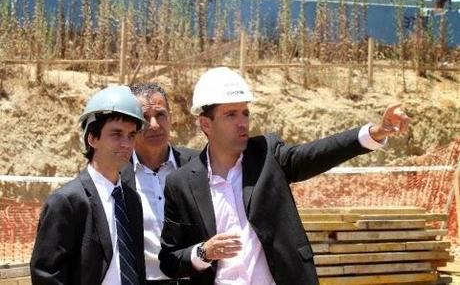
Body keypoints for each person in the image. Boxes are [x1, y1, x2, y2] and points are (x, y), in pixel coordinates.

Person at [158, 67, 410, 285]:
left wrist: (375, 132)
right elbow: (170, 260)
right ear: (205, 124)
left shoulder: (267, 154)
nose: (242, 122)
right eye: (230, 114)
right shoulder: (181, 183)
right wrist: (203, 252)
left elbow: (315, 154)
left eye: (245, 112)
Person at [30, 85, 147, 285]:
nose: (126, 144)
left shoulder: (131, 199)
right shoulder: (67, 202)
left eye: (131, 135)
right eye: (116, 134)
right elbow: (46, 276)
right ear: (92, 138)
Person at [120, 83, 198, 285]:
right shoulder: (116, 175)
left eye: (160, 115)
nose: (154, 124)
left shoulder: (199, 166)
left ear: (171, 117)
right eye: (145, 118)